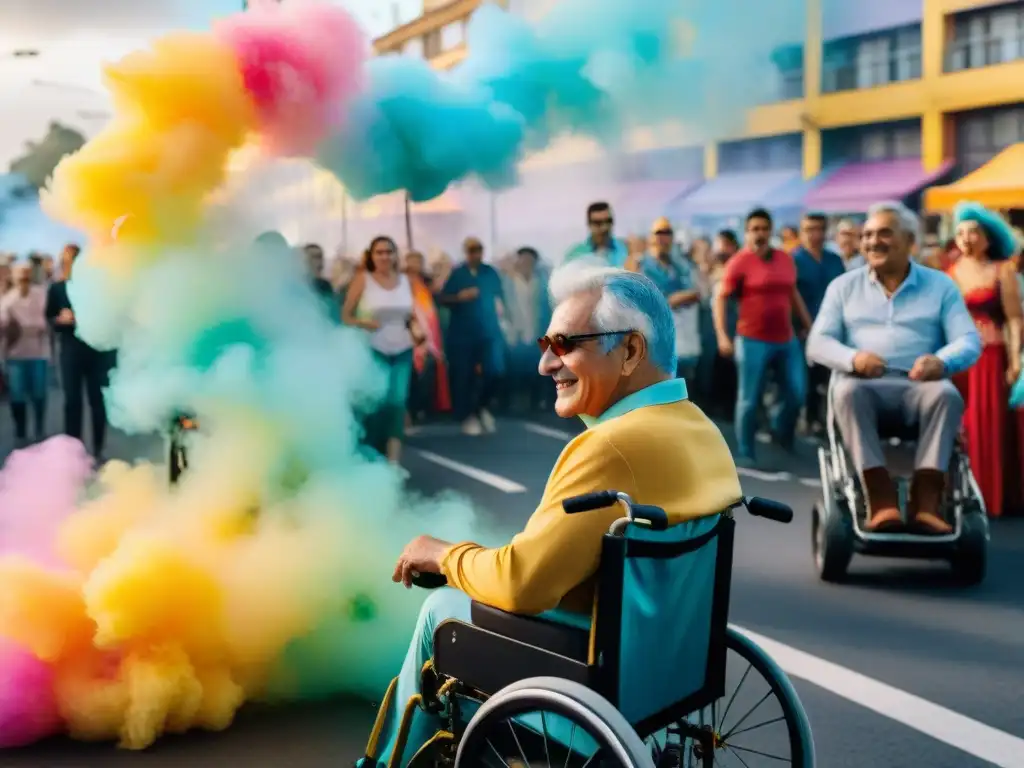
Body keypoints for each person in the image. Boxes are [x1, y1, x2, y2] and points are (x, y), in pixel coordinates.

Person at [361, 263, 742, 767]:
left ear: (629, 350)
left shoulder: (609, 446)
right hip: (667, 663)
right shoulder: (699, 428)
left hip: (596, 676)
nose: (545, 363)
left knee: (440, 613)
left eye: (565, 344)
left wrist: (444, 554)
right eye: (546, 342)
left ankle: (388, 761)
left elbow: (523, 584)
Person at [806, 201, 982, 534]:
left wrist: (941, 361)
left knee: (947, 394)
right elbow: (818, 343)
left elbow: (968, 340)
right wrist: (853, 359)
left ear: (910, 241)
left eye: (884, 233)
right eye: (868, 235)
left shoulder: (940, 286)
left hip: (920, 387)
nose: (873, 241)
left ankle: (926, 502)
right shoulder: (843, 287)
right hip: (864, 387)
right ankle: (880, 498)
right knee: (846, 391)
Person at [713, 208, 813, 467]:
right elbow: (721, 299)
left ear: (771, 231)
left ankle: (783, 435)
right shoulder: (739, 262)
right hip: (751, 339)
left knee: (796, 392)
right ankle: (746, 451)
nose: (759, 233)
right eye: (754, 229)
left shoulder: (784, 259)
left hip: (785, 339)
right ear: (747, 233)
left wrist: (808, 324)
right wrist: (723, 336)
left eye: (764, 229)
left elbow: (793, 294)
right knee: (749, 398)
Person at [946, 202, 1023, 518]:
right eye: (960, 232)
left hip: (992, 358)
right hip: (960, 359)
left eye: (973, 232)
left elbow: (1015, 318)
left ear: (988, 237)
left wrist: (1015, 358)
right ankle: (965, 493)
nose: (966, 238)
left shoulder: (1002, 270)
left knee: (991, 424)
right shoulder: (949, 273)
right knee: (963, 426)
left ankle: (995, 495)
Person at [342, 236, 422, 464]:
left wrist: (416, 330)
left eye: (389, 252)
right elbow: (345, 316)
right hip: (374, 348)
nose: (384, 256)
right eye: (379, 252)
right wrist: (363, 323)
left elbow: (413, 314)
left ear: (396, 255)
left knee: (397, 402)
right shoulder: (363, 280)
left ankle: (394, 461)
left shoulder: (407, 280)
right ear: (371, 256)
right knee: (377, 402)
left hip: (403, 347)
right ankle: (370, 453)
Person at [45, 244, 115, 460]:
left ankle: (98, 448)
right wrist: (60, 319)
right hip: (71, 350)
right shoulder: (57, 288)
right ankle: (72, 450)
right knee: (72, 401)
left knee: (97, 400)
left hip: (97, 350)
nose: (72, 264)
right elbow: (49, 318)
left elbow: (112, 314)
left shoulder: (99, 287)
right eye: (68, 260)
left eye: (76, 260)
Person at [437, 237, 506, 436]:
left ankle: (481, 406)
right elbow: (442, 298)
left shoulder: (490, 272)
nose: (475, 253)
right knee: (463, 375)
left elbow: (501, 297)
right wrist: (459, 297)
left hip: (489, 331)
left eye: (478, 249)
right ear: (465, 252)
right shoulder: (457, 274)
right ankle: (467, 415)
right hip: (462, 333)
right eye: (471, 250)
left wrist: (506, 319)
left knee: (495, 371)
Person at [794, 213, 847, 435]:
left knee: (832, 379)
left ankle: (830, 422)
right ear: (801, 232)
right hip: (802, 331)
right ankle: (809, 418)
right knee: (806, 380)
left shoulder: (834, 260)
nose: (814, 234)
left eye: (818, 229)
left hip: (833, 330)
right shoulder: (794, 260)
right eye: (809, 229)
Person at [640, 217, 702, 382]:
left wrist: (682, 297)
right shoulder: (644, 265)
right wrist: (683, 296)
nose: (663, 237)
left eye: (667, 232)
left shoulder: (679, 265)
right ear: (651, 237)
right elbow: (656, 302)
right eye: (659, 232)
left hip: (685, 340)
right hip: (658, 343)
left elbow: (697, 292)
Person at [0, 263, 50, 446]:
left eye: (27, 275)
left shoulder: (41, 294)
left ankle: (39, 430)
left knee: (39, 393)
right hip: (15, 356)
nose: (24, 279)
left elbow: (45, 321)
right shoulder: (7, 300)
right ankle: (20, 434)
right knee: (17, 395)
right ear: (13, 278)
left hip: (39, 353)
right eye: (20, 275)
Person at [500, 246, 552, 411]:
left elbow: (546, 308)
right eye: (523, 259)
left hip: (536, 332)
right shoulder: (508, 282)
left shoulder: (541, 283)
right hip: (515, 333)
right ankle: (510, 404)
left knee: (537, 370)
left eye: (530, 260)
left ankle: (535, 404)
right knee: (513, 370)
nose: (526, 263)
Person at [564, 201, 629, 268]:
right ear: (589, 224)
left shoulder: (626, 249)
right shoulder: (576, 254)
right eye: (598, 223)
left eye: (608, 221)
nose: (604, 227)